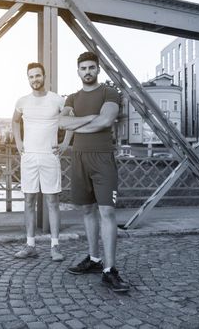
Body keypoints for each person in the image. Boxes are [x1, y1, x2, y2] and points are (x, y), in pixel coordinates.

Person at [59, 51, 129, 292]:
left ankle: (110, 270)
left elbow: (105, 121)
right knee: (87, 210)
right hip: (78, 158)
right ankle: (95, 259)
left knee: (107, 211)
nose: (87, 72)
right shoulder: (71, 98)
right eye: (83, 68)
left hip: (102, 158)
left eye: (91, 67)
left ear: (98, 69)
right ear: (78, 71)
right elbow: (62, 123)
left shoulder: (109, 92)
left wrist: (81, 124)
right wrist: (91, 117)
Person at [12, 62, 80, 261]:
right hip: (29, 156)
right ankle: (30, 245)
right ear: (28, 79)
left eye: (38, 75)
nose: (35, 79)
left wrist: (66, 142)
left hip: (50, 156)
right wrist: (18, 141)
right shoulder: (22, 101)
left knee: (52, 201)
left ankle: (55, 246)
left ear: (44, 76)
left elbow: (71, 121)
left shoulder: (57, 100)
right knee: (28, 200)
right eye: (31, 76)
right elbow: (15, 121)